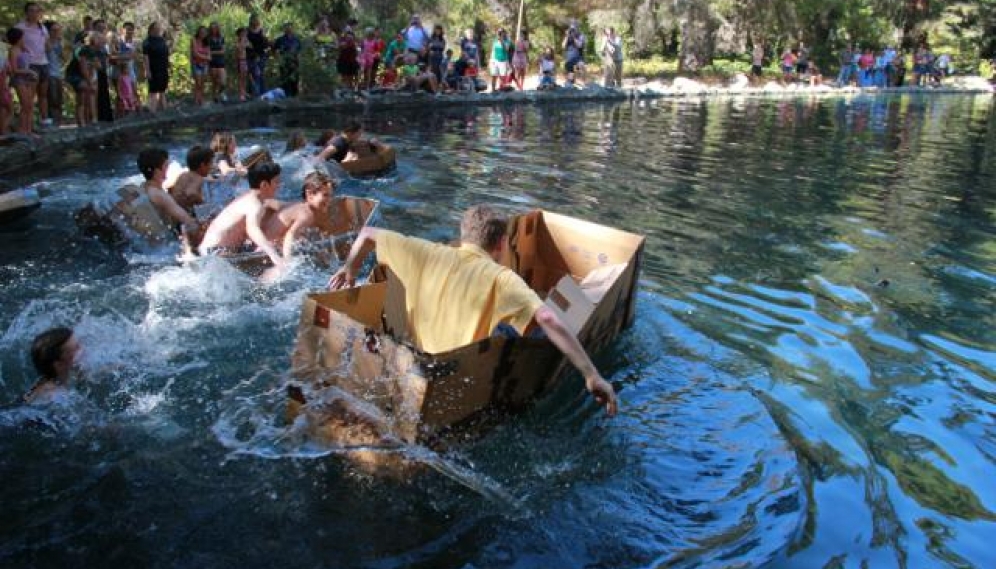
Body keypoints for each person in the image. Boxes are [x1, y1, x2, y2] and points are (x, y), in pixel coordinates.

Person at [328, 205, 618, 417]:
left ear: (463, 235)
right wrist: (591, 374)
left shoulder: (423, 250)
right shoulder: (502, 279)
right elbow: (547, 317)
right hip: (455, 386)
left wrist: (349, 269)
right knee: (528, 326)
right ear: (503, 243)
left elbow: (366, 233)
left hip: (410, 369)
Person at [198, 161, 287, 276]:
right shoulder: (255, 205)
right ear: (264, 185)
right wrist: (274, 255)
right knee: (272, 259)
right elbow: (253, 229)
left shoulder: (247, 198)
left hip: (207, 251)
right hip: (215, 255)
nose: (280, 185)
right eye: (277, 182)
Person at [136, 147, 202, 254]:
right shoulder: (160, 195)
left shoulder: (143, 188)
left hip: (154, 244)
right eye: (166, 165)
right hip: (170, 246)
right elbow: (187, 221)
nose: (168, 168)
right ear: (158, 171)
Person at [260, 170, 334, 260]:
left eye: (331, 195)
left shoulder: (295, 206)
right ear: (310, 194)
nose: (330, 200)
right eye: (325, 195)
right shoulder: (307, 214)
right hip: (263, 252)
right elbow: (290, 235)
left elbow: (268, 202)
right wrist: (287, 262)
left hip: (261, 245)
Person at [16, 3, 51, 129]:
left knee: (43, 94)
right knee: (29, 98)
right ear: (26, 12)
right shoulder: (20, 27)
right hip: (30, 64)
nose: (35, 13)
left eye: (37, 11)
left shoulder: (42, 27)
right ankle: (27, 127)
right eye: (31, 11)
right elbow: (14, 43)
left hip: (44, 63)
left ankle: (44, 120)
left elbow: (47, 44)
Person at [24, 327, 82, 404]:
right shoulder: (54, 396)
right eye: (77, 348)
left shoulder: (65, 375)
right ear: (59, 365)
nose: (84, 349)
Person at [6, 27, 39, 136]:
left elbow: (29, 59)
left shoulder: (23, 48)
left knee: (30, 105)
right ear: (18, 38)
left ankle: (28, 130)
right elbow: (14, 69)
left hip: (28, 79)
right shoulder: (13, 51)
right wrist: (29, 71)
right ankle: (22, 130)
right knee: (24, 104)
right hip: (19, 80)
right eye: (22, 37)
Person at [166, 144, 214, 216]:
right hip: (184, 215)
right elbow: (191, 193)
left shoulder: (184, 175)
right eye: (211, 163)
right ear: (202, 165)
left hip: (175, 213)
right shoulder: (198, 178)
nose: (212, 167)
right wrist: (205, 204)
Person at [65, 31, 96, 126]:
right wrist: (90, 83)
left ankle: (87, 121)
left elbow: (93, 66)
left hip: (83, 75)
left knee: (87, 96)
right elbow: (83, 68)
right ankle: (81, 123)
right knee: (83, 95)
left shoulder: (94, 51)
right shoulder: (82, 50)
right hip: (74, 75)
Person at [142, 22, 170, 112]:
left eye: (159, 28)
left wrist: (168, 63)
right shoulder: (147, 42)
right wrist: (147, 70)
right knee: (153, 90)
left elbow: (165, 53)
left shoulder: (161, 40)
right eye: (156, 28)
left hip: (163, 68)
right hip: (153, 68)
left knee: (162, 89)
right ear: (151, 30)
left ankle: (164, 110)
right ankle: (152, 110)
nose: (158, 30)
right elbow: (145, 57)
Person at [44, 20, 64, 125]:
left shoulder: (59, 42)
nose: (57, 32)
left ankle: (58, 122)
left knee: (59, 99)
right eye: (54, 30)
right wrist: (50, 40)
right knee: (52, 98)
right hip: (48, 73)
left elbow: (63, 57)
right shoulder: (44, 41)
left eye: (58, 30)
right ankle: (51, 121)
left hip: (58, 73)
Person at [273, 23, 301, 97]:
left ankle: (295, 96)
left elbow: (299, 51)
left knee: (295, 80)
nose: (289, 29)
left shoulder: (297, 40)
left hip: (294, 62)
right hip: (284, 62)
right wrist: (279, 59)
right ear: (284, 29)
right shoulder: (280, 39)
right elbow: (275, 50)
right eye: (287, 28)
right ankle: (285, 96)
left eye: (290, 28)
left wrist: (299, 61)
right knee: (285, 80)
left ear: (293, 29)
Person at [246, 14, 269, 96]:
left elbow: (266, 43)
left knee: (260, 73)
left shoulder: (262, 30)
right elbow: (245, 42)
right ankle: (252, 92)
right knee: (252, 74)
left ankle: (262, 93)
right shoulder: (247, 30)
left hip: (261, 55)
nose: (255, 21)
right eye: (253, 19)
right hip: (250, 55)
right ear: (250, 20)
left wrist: (265, 37)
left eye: (256, 19)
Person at [189, 26, 209, 106]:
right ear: (198, 32)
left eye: (204, 32)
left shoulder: (207, 41)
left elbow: (209, 55)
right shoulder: (193, 40)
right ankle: (196, 99)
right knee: (198, 82)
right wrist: (205, 57)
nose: (203, 34)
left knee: (203, 83)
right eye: (201, 32)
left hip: (205, 65)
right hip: (196, 64)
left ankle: (201, 98)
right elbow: (194, 53)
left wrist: (204, 57)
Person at [207, 22, 227, 102]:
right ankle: (214, 96)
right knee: (214, 82)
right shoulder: (207, 39)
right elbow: (206, 51)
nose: (213, 30)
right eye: (212, 28)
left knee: (223, 82)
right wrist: (215, 52)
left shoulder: (221, 38)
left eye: (215, 28)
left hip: (221, 61)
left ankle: (220, 93)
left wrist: (212, 52)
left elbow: (223, 51)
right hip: (211, 62)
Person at [234, 27, 249, 101]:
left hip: (245, 60)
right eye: (243, 32)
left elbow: (249, 46)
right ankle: (241, 95)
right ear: (240, 34)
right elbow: (239, 49)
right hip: (240, 60)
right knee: (240, 78)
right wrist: (243, 41)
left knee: (244, 77)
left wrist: (245, 41)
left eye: (245, 32)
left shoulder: (246, 40)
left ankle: (244, 92)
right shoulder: (237, 41)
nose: (245, 34)